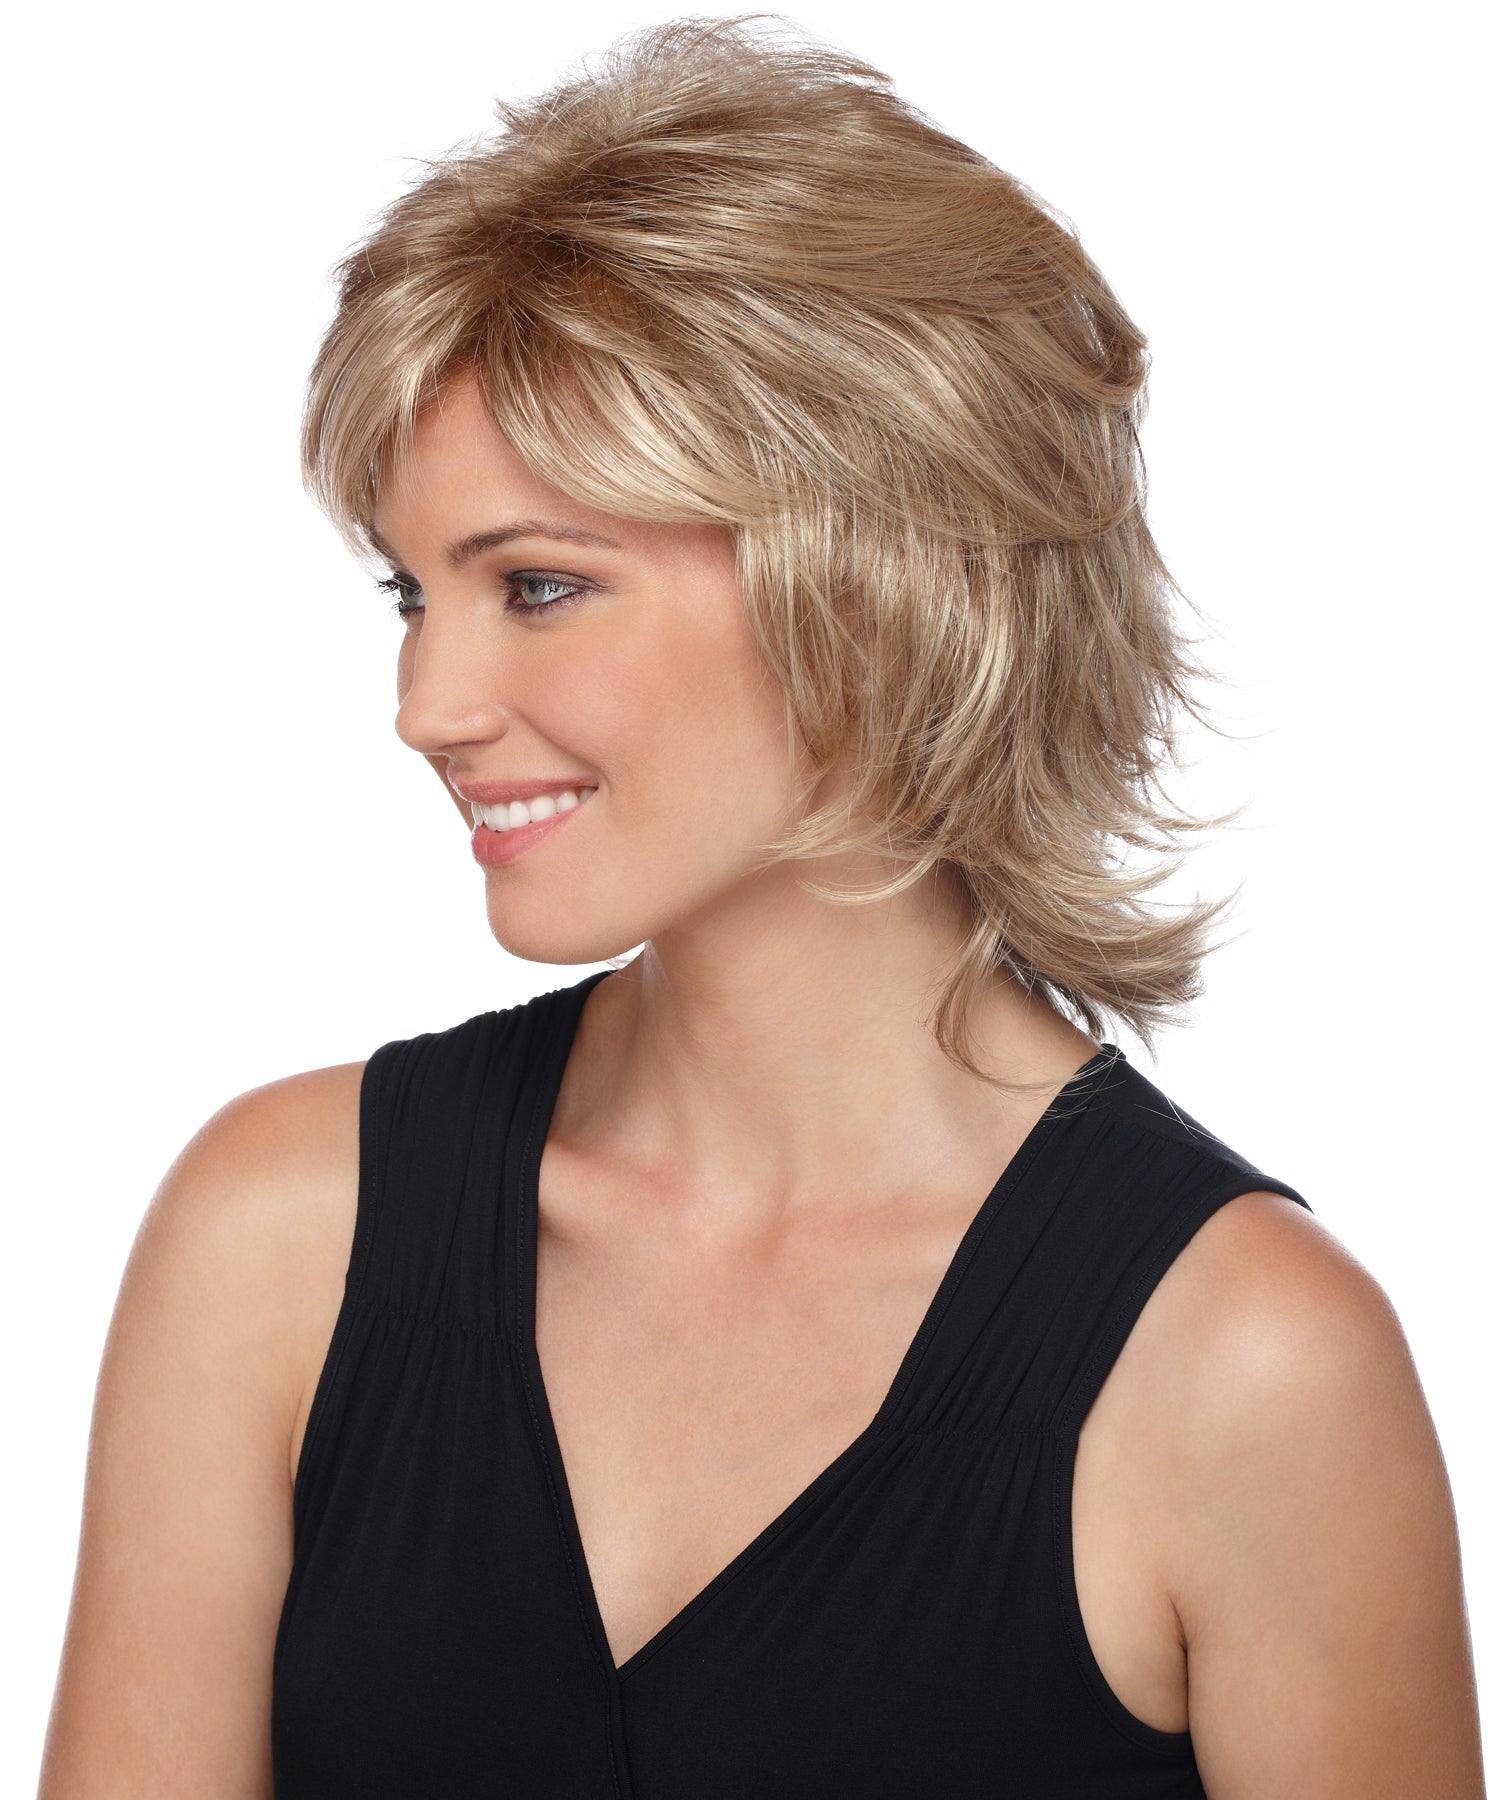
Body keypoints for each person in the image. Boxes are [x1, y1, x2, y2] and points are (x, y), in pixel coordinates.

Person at [38, 15, 1485, 1798]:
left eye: (538, 586)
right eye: (411, 597)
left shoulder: (1247, 1368)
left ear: (875, 583)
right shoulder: (281, 1242)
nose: (426, 708)